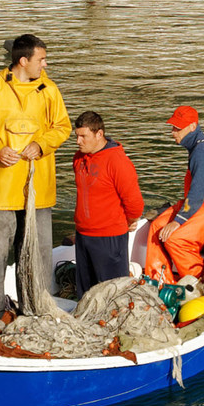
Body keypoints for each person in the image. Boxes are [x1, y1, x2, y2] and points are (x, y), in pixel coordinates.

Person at [0, 33, 71, 320]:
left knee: (37, 255)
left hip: (38, 188)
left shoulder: (49, 90)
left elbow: (62, 127)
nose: (45, 65)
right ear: (23, 61)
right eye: (41, 60)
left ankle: (36, 306)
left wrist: (42, 144)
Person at [142, 104, 204, 285]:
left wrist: (179, 220)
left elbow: (197, 193)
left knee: (177, 239)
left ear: (193, 126)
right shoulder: (201, 145)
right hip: (200, 200)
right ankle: (160, 281)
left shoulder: (201, 153)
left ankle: (200, 282)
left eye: (178, 128)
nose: (173, 132)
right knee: (156, 227)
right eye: (172, 127)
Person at [70, 111, 144, 293]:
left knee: (113, 293)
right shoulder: (78, 158)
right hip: (83, 235)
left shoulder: (118, 162)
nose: (78, 141)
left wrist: (129, 220)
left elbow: (134, 202)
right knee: (86, 293)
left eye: (83, 136)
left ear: (99, 134)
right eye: (77, 136)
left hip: (109, 237)